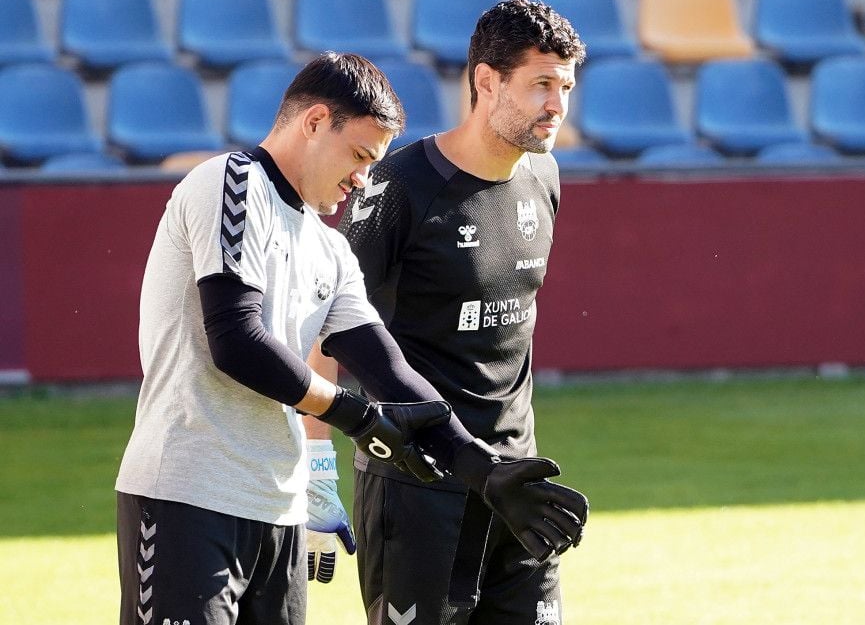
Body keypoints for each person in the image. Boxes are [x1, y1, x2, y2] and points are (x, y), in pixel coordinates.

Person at [115, 51, 587, 625]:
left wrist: (484, 470)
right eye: (360, 155)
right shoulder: (229, 182)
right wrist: (355, 418)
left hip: (278, 515)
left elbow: (392, 373)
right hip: (187, 497)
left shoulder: (330, 249)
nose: (364, 178)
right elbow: (236, 339)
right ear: (315, 123)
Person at [307, 0, 588, 625]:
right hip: (415, 485)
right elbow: (326, 329)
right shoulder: (394, 188)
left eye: (565, 85)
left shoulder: (544, 177)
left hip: (518, 483)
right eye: (540, 83)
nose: (557, 104)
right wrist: (316, 469)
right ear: (486, 81)